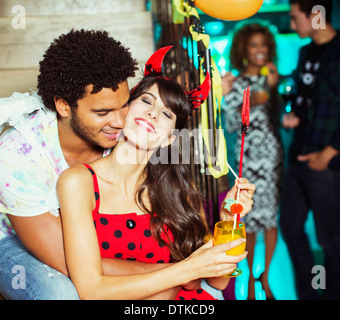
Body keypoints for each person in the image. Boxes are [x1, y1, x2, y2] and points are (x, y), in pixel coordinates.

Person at [0, 30, 255, 300]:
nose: (118, 121)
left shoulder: (173, 187)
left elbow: (214, 281)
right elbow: (85, 281)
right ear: (64, 106)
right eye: (145, 101)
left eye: (166, 114)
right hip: (16, 238)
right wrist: (183, 272)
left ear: (171, 138)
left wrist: (228, 222)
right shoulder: (32, 161)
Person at [280, 0, 340, 300]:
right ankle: (311, 293)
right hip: (299, 156)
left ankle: (330, 293)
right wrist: (294, 115)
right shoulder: (305, 53)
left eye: (295, 18)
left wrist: (329, 152)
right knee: (290, 228)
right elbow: (307, 100)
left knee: (331, 239)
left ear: (316, 15)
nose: (292, 26)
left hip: (326, 162)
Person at [222, 23, 284, 300]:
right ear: (243, 50)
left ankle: (267, 277)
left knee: (269, 218)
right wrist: (243, 105)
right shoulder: (235, 83)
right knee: (246, 218)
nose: (261, 50)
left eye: (264, 44)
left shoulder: (274, 78)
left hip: (270, 156)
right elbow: (232, 125)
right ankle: (247, 280)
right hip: (245, 158)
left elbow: (282, 120)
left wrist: (271, 91)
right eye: (254, 45)